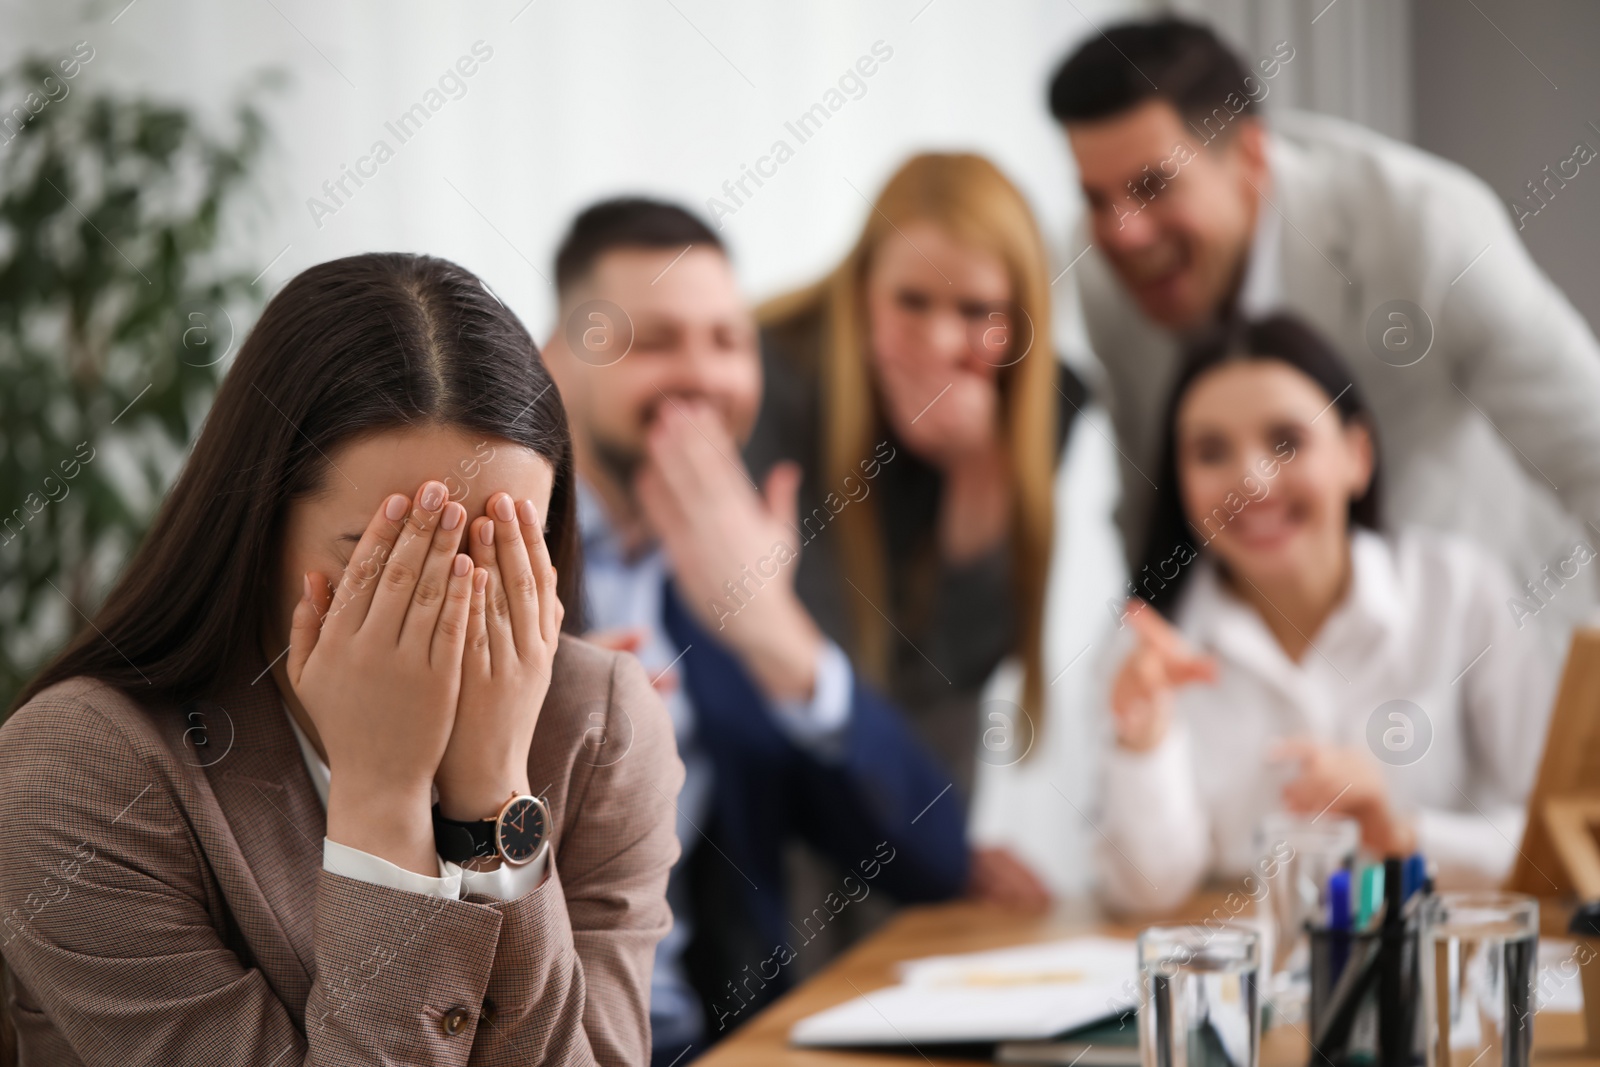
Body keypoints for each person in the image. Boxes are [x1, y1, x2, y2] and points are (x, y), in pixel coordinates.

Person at [0, 253, 681, 1065]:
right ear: (257, 528)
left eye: (497, 551)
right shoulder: (74, 771)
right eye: (394, 557)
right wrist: (382, 794)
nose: (450, 601)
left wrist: (495, 800)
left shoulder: (598, 723)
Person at [542, 197, 1046, 1065]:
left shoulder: (735, 564)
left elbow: (926, 856)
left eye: (728, 342)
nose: (700, 374)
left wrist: (773, 631)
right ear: (556, 361)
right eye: (654, 341)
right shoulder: (502, 562)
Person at [1048, 18, 1600, 644]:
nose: (1123, 233)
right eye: (1096, 198)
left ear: (1250, 158)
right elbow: (1151, 496)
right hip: (1267, 662)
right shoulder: (1100, 269)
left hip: (1485, 650)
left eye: (1153, 186)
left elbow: (1590, 446)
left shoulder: (1424, 227)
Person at [1095, 315, 1557, 915]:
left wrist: (1402, 832)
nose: (1251, 481)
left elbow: (1560, 844)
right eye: (1210, 451)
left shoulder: (1460, 593)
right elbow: (1147, 895)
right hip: (1252, 978)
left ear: (1356, 456)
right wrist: (1145, 739)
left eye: (1286, 442)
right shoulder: (1150, 648)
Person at [753, 153, 1084, 804]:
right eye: (912, 301)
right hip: (782, 780)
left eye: (976, 310)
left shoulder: (1043, 399)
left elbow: (958, 669)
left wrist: (979, 474)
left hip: (927, 794)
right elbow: (821, 671)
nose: (939, 341)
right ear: (861, 288)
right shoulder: (770, 373)